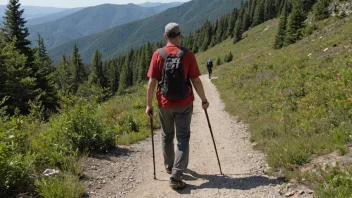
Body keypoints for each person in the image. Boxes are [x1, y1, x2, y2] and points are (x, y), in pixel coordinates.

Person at [146, 22, 209, 189]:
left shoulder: (158, 54)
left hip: (164, 103)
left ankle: (169, 166)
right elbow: (196, 80)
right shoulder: (187, 54)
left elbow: (152, 82)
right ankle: (176, 174)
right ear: (180, 35)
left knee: (167, 135)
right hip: (184, 103)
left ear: (166, 36)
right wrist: (204, 99)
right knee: (182, 137)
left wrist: (148, 105)